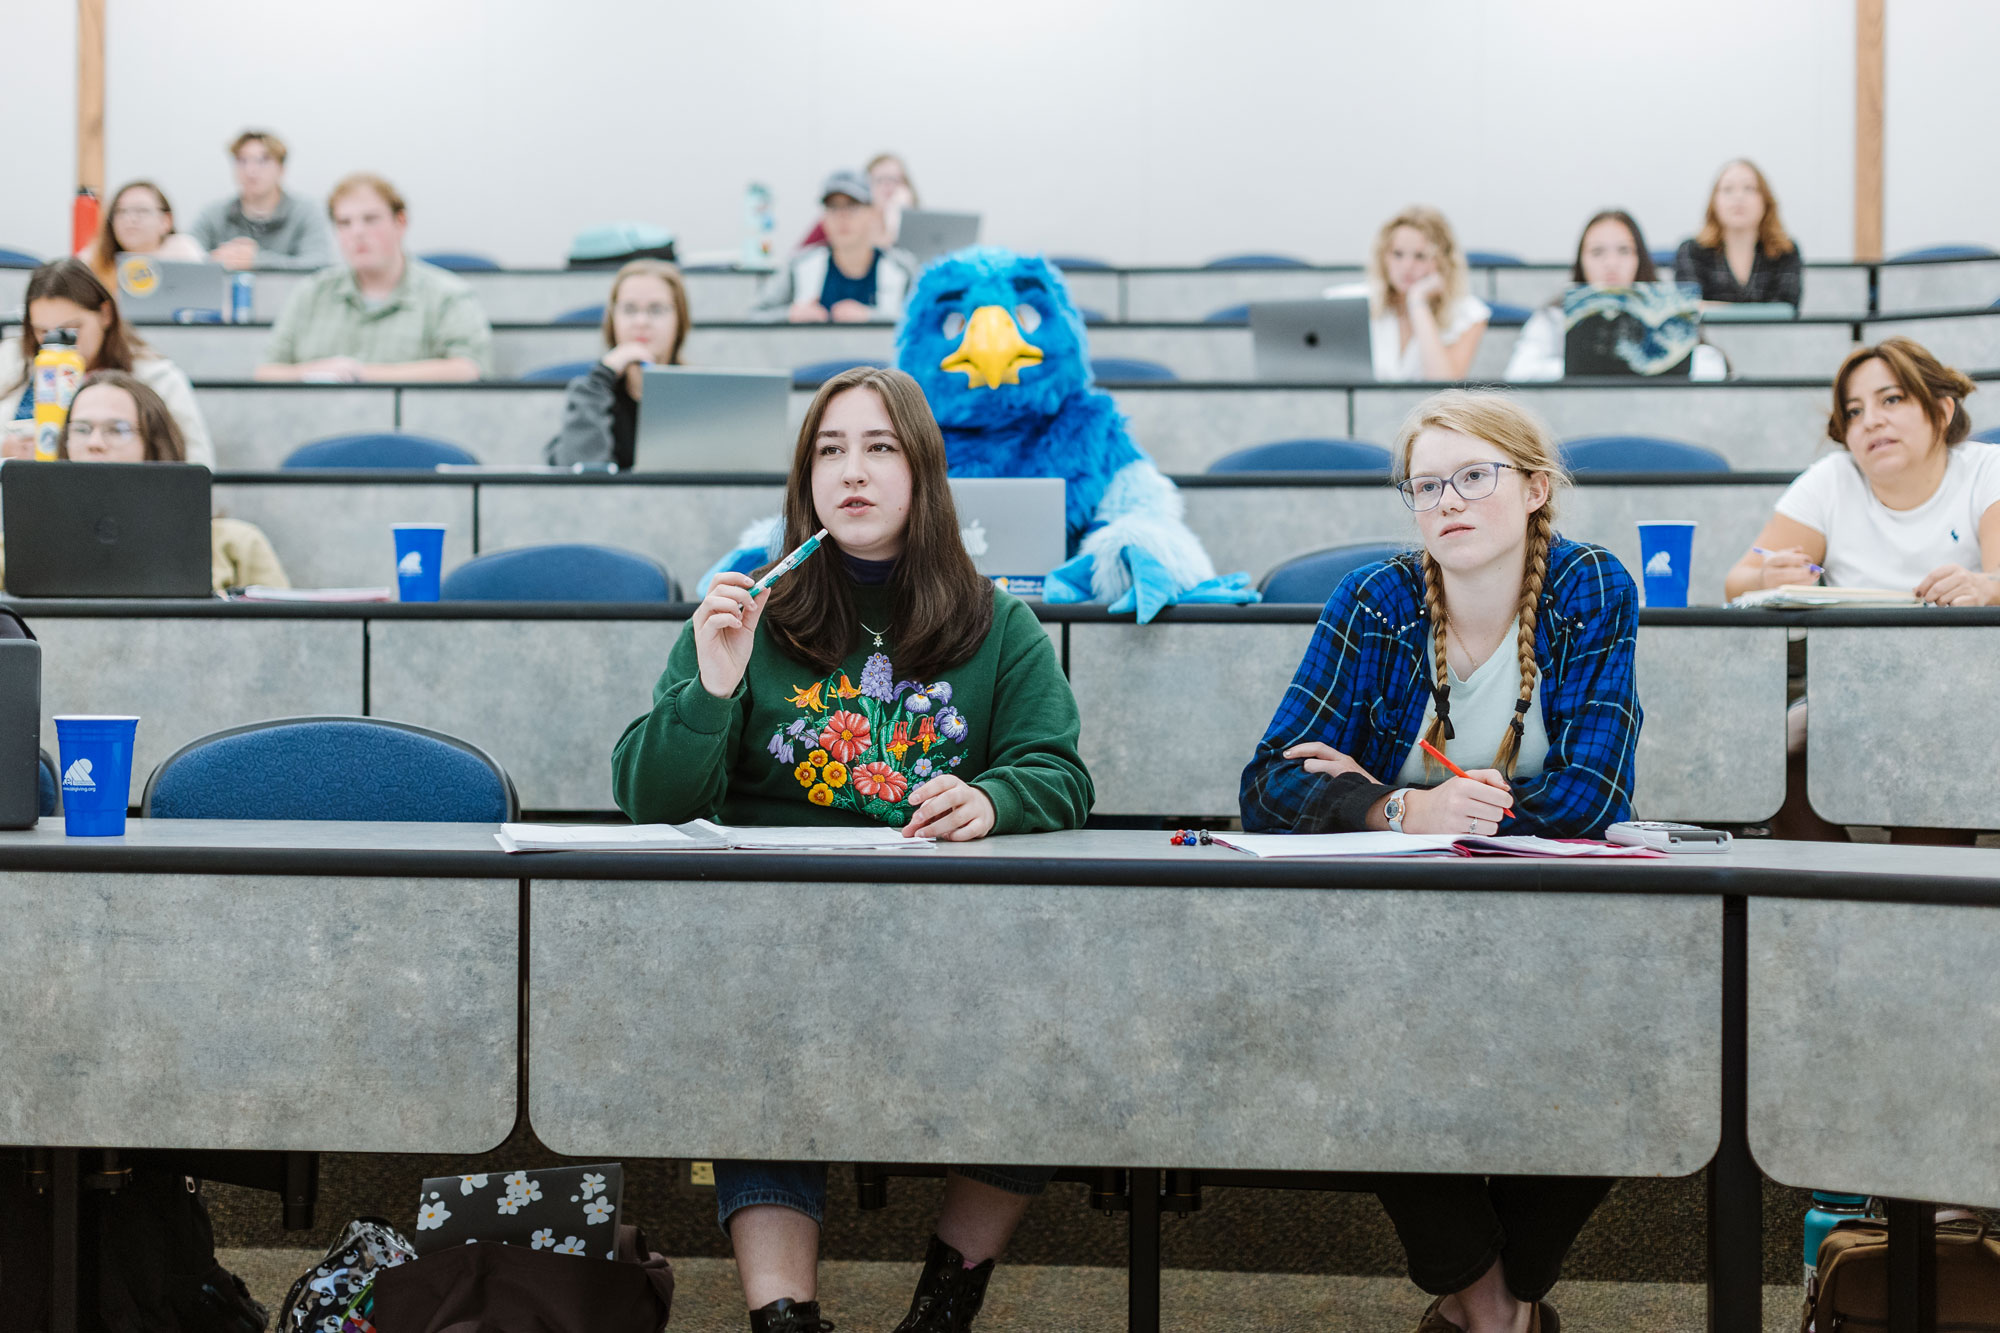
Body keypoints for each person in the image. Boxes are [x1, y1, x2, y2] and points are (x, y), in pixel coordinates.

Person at [612, 365, 1092, 1333]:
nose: (852, 470)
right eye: (829, 450)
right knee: (760, 1016)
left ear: (921, 472)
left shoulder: (996, 622)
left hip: (953, 940)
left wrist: (991, 798)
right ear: (804, 481)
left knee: (1059, 1005)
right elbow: (646, 798)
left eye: (879, 448)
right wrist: (711, 687)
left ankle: (942, 1306)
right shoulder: (747, 607)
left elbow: (1061, 773)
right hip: (776, 933)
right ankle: (781, 1315)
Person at [1240, 389, 1641, 1332]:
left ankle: (1485, 1298)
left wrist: (1426, 805)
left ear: (1536, 487)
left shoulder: (1590, 586)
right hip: (1394, 936)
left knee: (1646, 1052)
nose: (1448, 501)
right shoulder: (1376, 600)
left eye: (1474, 475)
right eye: (1425, 485)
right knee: (1350, 1043)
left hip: (1559, 932)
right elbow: (1266, 784)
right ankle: (1500, 1312)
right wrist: (1401, 806)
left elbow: (1596, 795)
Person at [1727, 339, 1997, 601]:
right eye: (1854, 412)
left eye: (1891, 400)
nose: (1870, 422)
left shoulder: (1988, 470)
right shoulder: (1829, 481)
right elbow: (1736, 584)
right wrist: (1764, 580)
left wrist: (1984, 588)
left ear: (1941, 411)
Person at [0, 371, 285, 593]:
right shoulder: (15, 548)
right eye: (82, 429)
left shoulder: (238, 544)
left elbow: (282, 643)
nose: (95, 443)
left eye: (117, 429)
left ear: (154, 444)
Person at [254, 173, 493, 382]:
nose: (357, 232)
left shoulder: (448, 295)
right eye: (344, 223)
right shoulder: (310, 293)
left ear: (401, 222)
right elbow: (266, 372)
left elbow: (468, 369)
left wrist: (361, 373)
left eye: (370, 219)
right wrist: (312, 371)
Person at [0, 259, 214, 466]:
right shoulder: (12, 364)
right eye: (43, 332)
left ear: (105, 314)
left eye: (71, 330)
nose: (58, 342)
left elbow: (197, 468)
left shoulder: (157, 378)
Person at [1505, 210, 1726, 381]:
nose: (1611, 264)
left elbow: (1713, 368)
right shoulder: (1553, 316)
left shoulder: (1670, 311)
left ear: (1639, 258)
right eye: (1597, 252)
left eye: (1623, 251)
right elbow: (1518, 373)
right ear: (1581, 261)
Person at [543, 259, 691, 468]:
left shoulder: (699, 394)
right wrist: (601, 378)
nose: (641, 322)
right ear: (613, 320)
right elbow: (578, 477)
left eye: (656, 310)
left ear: (680, 319)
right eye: (629, 310)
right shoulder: (594, 395)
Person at [1338, 206, 1489, 382]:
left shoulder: (1469, 314)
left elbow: (1444, 387)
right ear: (1383, 257)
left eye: (1420, 256)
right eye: (1398, 254)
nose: (1407, 266)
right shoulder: (1350, 302)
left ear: (1443, 261)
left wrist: (1417, 302)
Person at [753, 170, 915, 325]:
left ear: (872, 213)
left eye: (852, 207)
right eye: (833, 208)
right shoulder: (799, 265)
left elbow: (925, 321)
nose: (841, 217)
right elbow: (754, 316)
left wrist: (871, 318)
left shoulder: (902, 268)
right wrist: (790, 315)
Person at [189, 129, 335, 271]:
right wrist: (217, 259)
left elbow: (318, 265)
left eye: (262, 160)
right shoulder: (215, 213)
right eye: (242, 161)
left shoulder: (305, 212)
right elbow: (186, 256)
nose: (251, 170)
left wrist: (257, 260)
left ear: (281, 168)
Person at [1673, 160, 1803, 306]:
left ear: (1765, 201)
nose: (1738, 197)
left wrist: (1717, 309)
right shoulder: (1692, 251)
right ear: (1714, 202)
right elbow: (1689, 309)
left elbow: (1786, 310)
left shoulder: (1785, 251)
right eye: (1728, 189)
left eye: (1749, 188)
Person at [79, 181, 205, 285]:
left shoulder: (183, 253)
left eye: (141, 210)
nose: (130, 219)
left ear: (166, 221)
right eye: (122, 211)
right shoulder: (94, 258)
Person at [800, 151, 918, 249]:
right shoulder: (836, 218)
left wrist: (897, 221)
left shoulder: (919, 226)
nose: (888, 188)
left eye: (895, 180)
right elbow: (800, 258)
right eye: (880, 180)